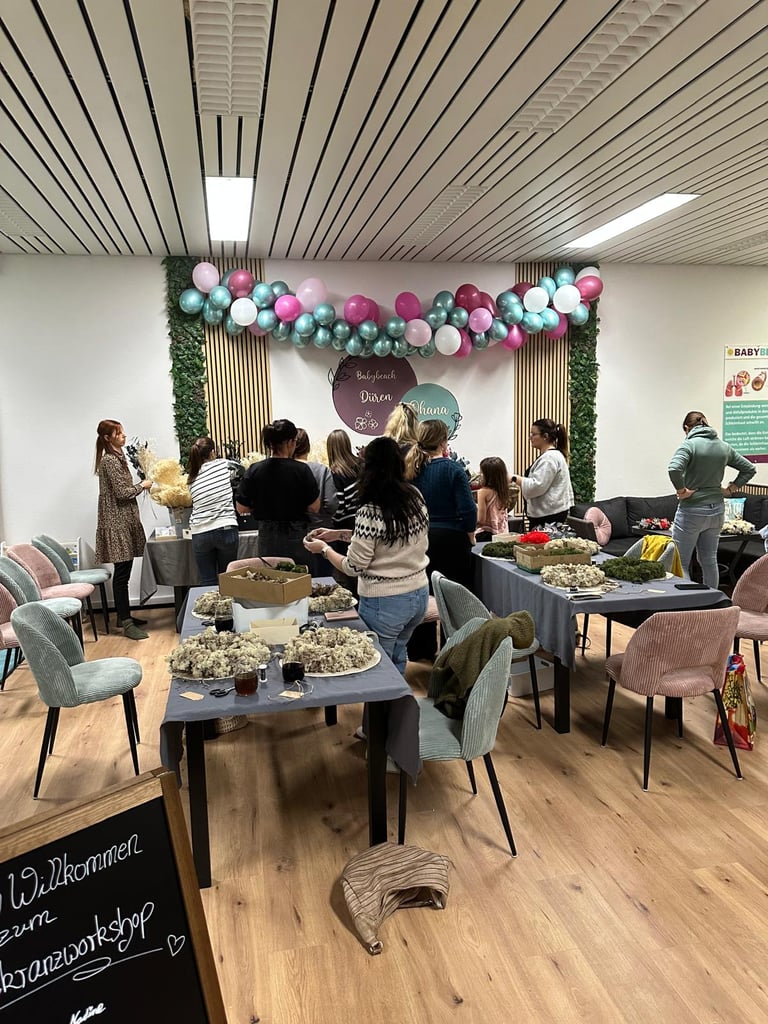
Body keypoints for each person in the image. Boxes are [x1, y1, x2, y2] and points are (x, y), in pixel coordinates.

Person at [303, 437, 429, 675]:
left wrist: (324, 550)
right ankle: (397, 711)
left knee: (378, 671)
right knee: (398, 660)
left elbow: (353, 566)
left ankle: (383, 713)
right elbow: (390, 539)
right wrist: (338, 535)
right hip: (418, 594)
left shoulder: (370, 508)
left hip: (386, 601)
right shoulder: (414, 496)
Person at [668, 410, 755, 588]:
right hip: (717, 510)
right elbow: (749, 469)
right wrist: (731, 489)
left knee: (681, 561)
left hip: (692, 510)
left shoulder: (689, 445)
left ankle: (684, 607)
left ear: (687, 428)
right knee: (708, 560)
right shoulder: (723, 447)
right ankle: (712, 605)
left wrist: (681, 490)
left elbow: (674, 469)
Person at [94, 419, 152, 640]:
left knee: (124, 572)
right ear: (108, 438)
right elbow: (121, 492)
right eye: (119, 433)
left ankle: (122, 616)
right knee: (121, 575)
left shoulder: (118, 458)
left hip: (123, 521)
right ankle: (126, 623)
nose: (124, 435)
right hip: (116, 522)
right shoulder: (109, 461)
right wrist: (143, 485)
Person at [404, 419, 477, 590]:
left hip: (418, 539)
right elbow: (468, 509)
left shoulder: (410, 470)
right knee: (457, 599)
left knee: (426, 595)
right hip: (452, 540)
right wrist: (471, 533)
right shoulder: (454, 469)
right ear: (443, 442)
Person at [236, 419, 320, 565]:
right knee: (298, 579)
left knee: (270, 579)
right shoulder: (302, 470)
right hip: (296, 535)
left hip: (267, 536)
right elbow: (315, 507)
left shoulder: (254, 470)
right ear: (290, 442)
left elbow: (241, 508)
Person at [187, 437, 239, 586]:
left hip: (199, 532)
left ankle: (208, 609)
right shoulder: (225, 465)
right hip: (226, 527)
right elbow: (242, 472)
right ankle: (229, 609)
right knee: (228, 578)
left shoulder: (191, 478)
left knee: (208, 581)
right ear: (213, 453)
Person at [512, 418, 574, 528]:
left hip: (549, 517)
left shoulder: (549, 458)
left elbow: (537, 486)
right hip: (550, 513)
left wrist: (514, 478)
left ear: (545, 436)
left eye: (533, 434)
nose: (530, 438)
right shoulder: (551, 456)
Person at [294, 428, 337, 576]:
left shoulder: (286, 471)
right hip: (321, 534)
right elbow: (332, 504)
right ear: (308, 447)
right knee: (323, 582)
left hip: (292, 535)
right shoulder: (321, 470)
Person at [326, 428, 362, 592]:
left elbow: (338, 505)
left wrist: (332, 523)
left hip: (343, 528)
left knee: (346, 570)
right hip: (362, 522)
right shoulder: (361, 465)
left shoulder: (335, 472)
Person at [475, 456, 511, 541]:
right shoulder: (504, 491)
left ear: (488, 475)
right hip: (502, 534)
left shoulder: (483, 492)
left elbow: (481, 520)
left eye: (481, 473)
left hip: (486, 534)